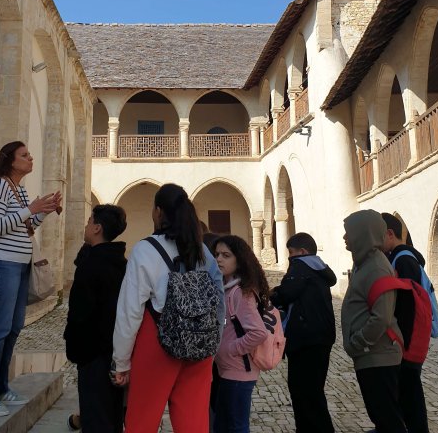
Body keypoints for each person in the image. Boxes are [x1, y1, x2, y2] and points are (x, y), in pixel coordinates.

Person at [112, 183, 225, 433]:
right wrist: (212, 345)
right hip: (200, 344)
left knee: (142, 421)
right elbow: (219, 301)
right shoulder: (203, 251)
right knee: (194, 424)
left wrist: (121, 361)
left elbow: (130, 310)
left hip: (158, 341)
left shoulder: (145, 249)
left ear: (158, 212)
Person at [0, 141, 62, 416]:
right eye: (24, 155)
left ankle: (1, 387)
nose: (30, 158)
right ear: (10, 160)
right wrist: (31, 209)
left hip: (20, 265)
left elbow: (25, 226)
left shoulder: (19, 189)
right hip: (1, 264)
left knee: (13, 328)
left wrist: (43, 210)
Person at [64, 204, 128, 433]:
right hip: (115, 352)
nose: (86, 225)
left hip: (92, 354)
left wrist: (74, 347)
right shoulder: (122, 264)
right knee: (112, 416)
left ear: (97, 228)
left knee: (95, 418)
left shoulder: (90, 266)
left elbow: (79, 314)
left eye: (89, 221)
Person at [341, 210, 406, 433]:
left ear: (363, 233)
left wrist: (358, 342)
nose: (345, 237)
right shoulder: (364, 263)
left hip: (378, 355)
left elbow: (382, 317)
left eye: (349, 232)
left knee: (388, 419)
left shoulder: (377, 267)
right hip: (370, 355)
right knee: (380, 416)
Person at [270, 232, 336, 433]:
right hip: (322, 337)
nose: (290, 257)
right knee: (314, 391)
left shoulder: (300, 265)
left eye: (291, 252)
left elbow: (286, 293)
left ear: (303, 251)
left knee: (302, 393)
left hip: (304, 338)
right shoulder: (319, 269)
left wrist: (271, 295)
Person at [212, 235, 269, 433]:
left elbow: (258, 333)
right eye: (217, 254)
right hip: (227, 370)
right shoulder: (227, 288)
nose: (219, 259)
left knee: (236, 427)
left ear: (239, 260)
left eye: (226, 255)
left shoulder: (240, 293)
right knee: (223, 425)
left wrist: (230, 350)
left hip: (238, 372)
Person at [382, 212, 430, 433]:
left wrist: (404, 342)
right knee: (406, 391)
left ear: (389, 234)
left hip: (408, 339)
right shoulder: (400, 257)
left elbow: (410, 304)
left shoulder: (403, 260)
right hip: (407, 338)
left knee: (410, 393)